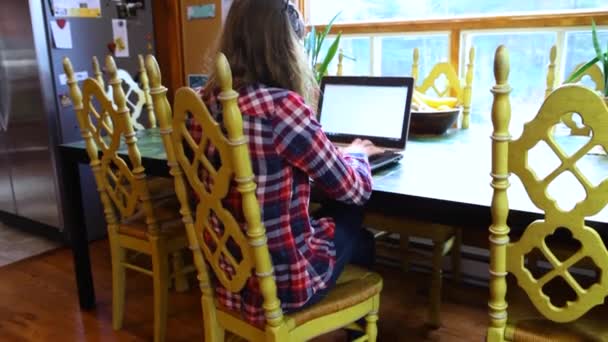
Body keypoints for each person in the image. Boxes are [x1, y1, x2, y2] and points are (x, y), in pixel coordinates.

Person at [189, 0, 383, 327]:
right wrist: (357, 154)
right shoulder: (281, 109)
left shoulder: (200, 103)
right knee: (353, 217)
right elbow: (354, 188)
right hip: (283, 289)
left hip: (228, 277)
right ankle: (355, 318)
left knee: (324, 220)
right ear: (287, 44)